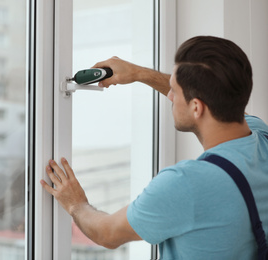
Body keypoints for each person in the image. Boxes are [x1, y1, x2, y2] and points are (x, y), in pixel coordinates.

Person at [40, 36, 268, 259]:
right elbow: (217, 95)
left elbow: (106, 233)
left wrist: (76, 204)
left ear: (196, 107)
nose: (169, 97)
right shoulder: (262, 139)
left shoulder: (186, 183)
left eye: (174, 91)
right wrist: (139, 74)